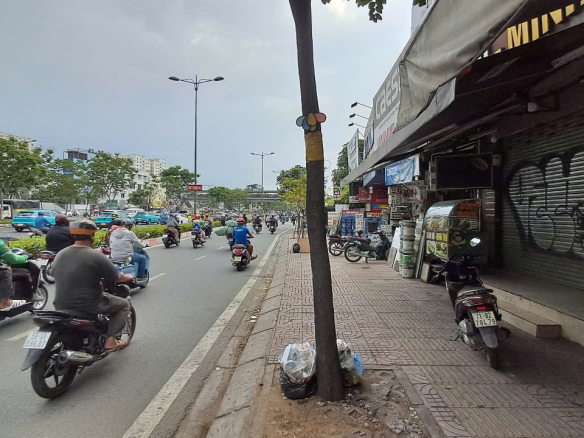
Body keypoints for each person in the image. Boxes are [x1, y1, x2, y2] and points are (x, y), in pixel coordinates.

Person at [52, 220, 133, 352]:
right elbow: (118, 277)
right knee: (124, 304)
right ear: (92, 236)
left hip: (60, 304)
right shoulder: (95, 255)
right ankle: (111, 341)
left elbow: (52, 272)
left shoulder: (60, 254)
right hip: (89, 304)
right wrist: (129, 277)